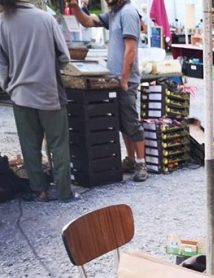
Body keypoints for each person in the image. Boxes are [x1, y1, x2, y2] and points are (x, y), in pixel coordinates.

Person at [0, 0, 74, 202]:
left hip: (20, 94)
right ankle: (64, 192)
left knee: (29, 145)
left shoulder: (3, 22)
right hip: (49, 91)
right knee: (58, 144)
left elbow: (2, 63)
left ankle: (39, 190)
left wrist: (8, 85)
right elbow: (64, 57)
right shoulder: (45, 19)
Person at [69, 0, 148, 182]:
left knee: (130, 120)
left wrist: (125, 79)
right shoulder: (113, 13)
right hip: (115, 79)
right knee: (121, 122)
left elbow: (131, 48)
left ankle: (141, 163)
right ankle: (129, 159)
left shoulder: (128, 12)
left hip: (125, 79)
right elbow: (88, 21)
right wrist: (74, 8)